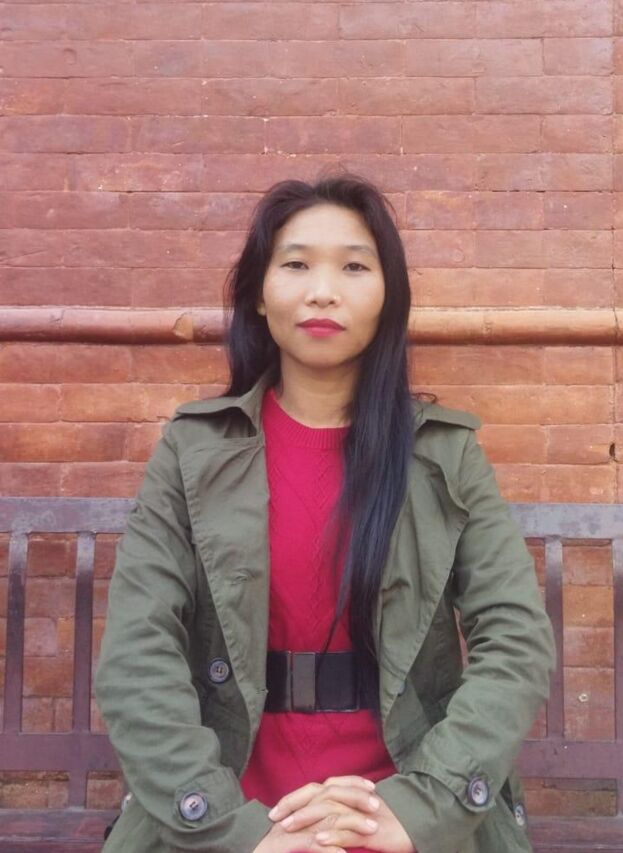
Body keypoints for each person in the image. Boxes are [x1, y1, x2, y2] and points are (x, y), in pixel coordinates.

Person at [94, 169, 556, 853]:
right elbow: (139, 652)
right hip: (234, 809)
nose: (322, 290)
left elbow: (516, 640)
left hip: (405, 803)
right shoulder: (193, 452)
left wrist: (421, 808)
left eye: (354, 267)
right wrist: (231, 826)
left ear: (388, 295)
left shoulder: (444, 454)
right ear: (258, 293)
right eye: (296, 264)